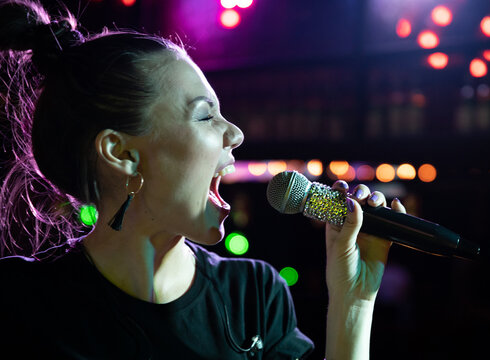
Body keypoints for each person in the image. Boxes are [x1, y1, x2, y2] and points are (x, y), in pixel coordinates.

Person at [0, 1, 407, 358]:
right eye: (205, 115)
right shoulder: (22, 302)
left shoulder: (254, 296)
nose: (236, 134)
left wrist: (354, 305)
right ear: (121, 153)